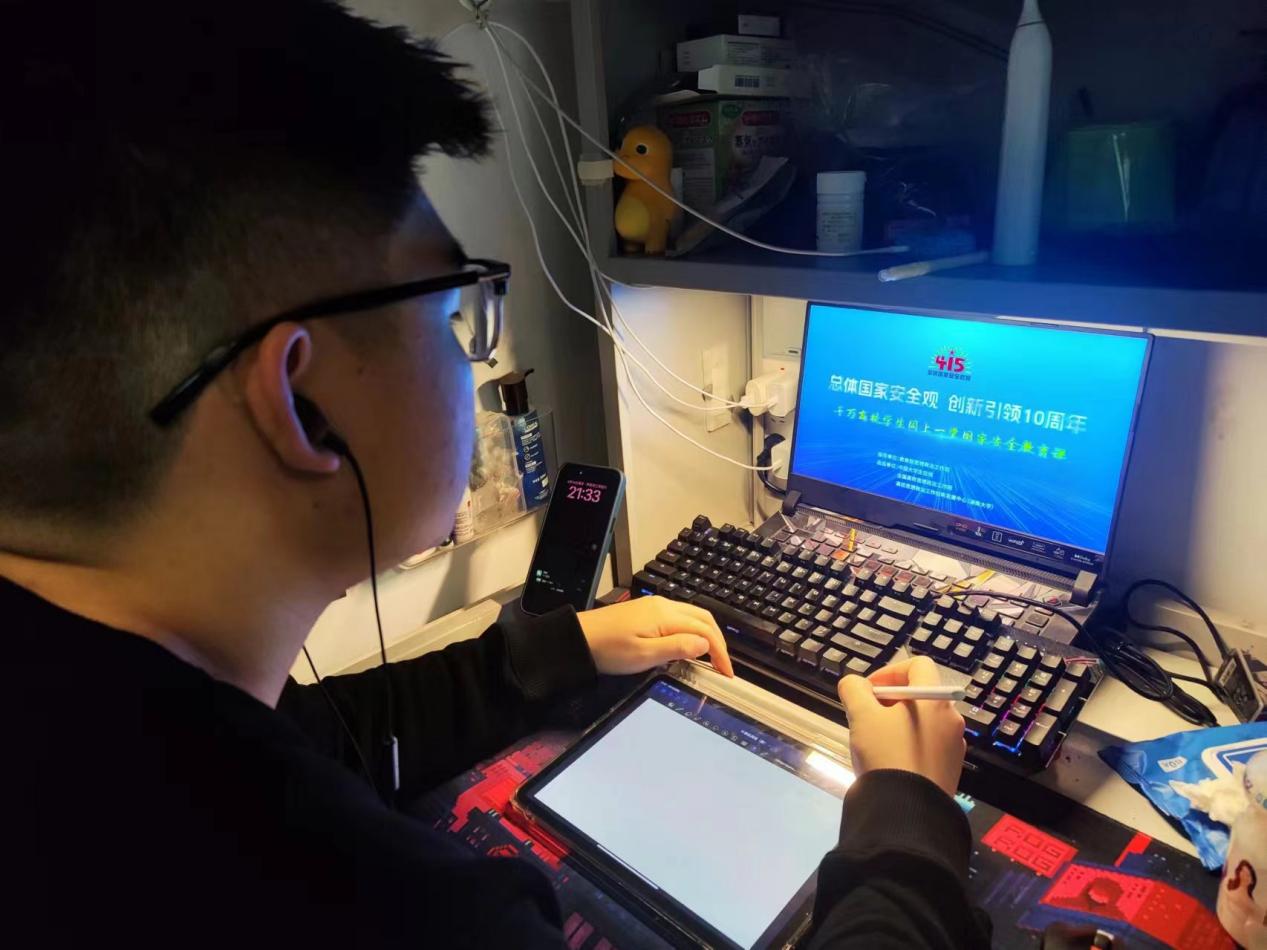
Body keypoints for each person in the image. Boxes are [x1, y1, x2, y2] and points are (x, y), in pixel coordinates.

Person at [2, 1, 987, 946]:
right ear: (302, 402)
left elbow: (325, 736)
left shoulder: (94, 706)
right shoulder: (389, 911)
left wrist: (546, 655)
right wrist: (908, 824)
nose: (470, 348)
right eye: (449, 310)